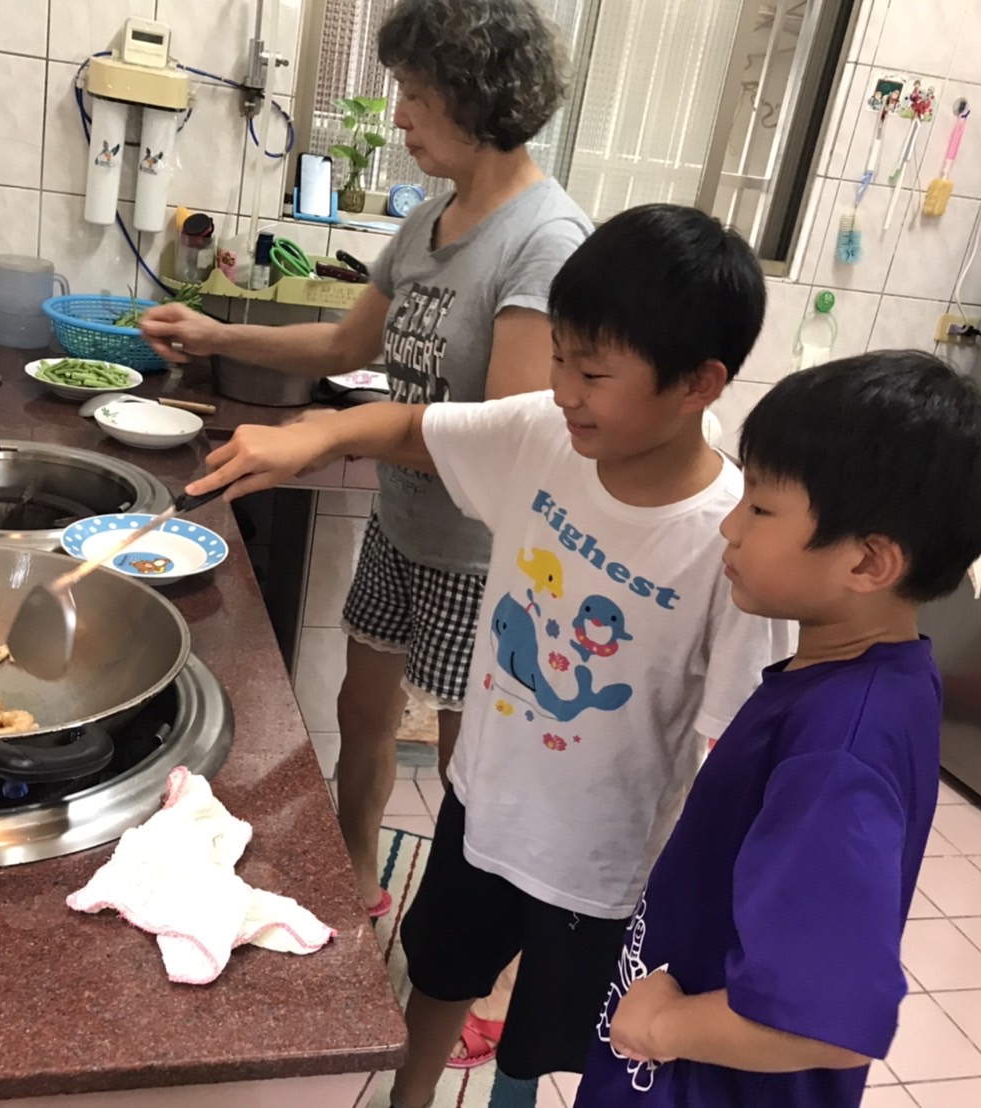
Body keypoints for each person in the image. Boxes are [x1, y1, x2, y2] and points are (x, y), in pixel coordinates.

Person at [181, 204, 794, 1108]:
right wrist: (318, 432)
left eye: (593, 372)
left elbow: (733, 755)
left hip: (601, 866)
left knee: (546, 1041)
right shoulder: (546, 434)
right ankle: (408, 1099)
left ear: (698, 384)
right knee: (436, 972)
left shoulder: (730, 541)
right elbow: (414, 430)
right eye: (559, 358)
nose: (564, 389)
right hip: (483, 803)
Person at [142, 0, 592, 948]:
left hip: (484, 558)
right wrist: (218, 333)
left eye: (417, 94)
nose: (400, 116)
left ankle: (475, 956)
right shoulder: (430, 220)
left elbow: (499, 437)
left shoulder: (545, 242)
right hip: (403, 523)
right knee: (362, 707)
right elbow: (349, 343)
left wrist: (334, 436)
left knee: (474, 769)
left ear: (477, 96)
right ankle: (355, 878)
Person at [577, 351, 981, 1107]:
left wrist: (665, 1027)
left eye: (760, 508)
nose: (730, 526)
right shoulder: (876, 674)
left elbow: (831, 1023)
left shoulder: (840, 748)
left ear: (868, 562)